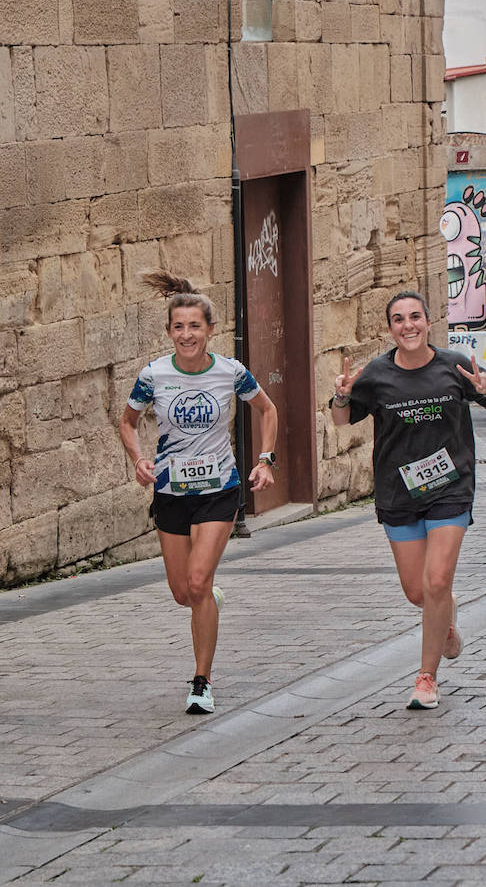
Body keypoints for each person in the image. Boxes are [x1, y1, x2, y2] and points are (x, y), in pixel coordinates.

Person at [330, 290, 486, 710]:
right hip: (399, 493)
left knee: (436, 582)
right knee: (418, 592)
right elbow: (342, 420)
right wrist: (342, 396)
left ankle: (426, 678)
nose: (408, 325)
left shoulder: (455, 366)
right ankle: (445, 619)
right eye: (398, 319)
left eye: (415, 316)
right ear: (390, 328)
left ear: (428, 322)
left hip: (451, 489)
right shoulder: (376, 374)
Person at [119, 270, 279, 715]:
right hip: (171, 491)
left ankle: (201, 682)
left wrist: (265, 460)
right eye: (178, 327)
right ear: (169, 331)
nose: (186, 334)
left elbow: (268, 411)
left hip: (218, 490)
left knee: (197, 581)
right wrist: (138, 460)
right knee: (182, 593)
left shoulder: (231, 372)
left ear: (210, 329)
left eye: (195, 326)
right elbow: (128, 422)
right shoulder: (153, 374)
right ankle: (208, 598)